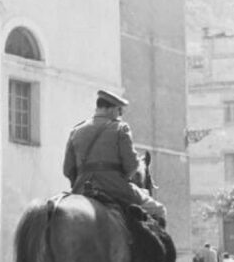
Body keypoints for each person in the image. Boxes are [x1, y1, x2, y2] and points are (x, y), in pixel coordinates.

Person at [63, 90, 166, 222]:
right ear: (111, 110)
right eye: (119, 111)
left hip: (81, 189)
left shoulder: (76, 131)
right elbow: (132, 165)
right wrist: (121, 179)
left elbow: (67, 169)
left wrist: (80, 182)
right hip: (114, 187)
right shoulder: (120, 129)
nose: (120, 115)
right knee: (159, 210)